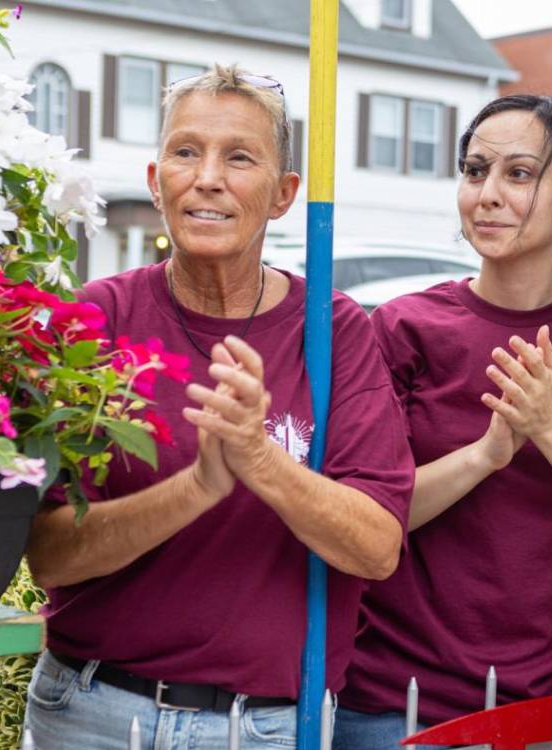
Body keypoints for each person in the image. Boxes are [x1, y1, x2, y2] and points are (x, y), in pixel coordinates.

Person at [22, 65, 414, 747]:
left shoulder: (332, 331)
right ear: (155, 180)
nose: (207, 176)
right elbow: (49, 556)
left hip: (264, 727)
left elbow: (376, 546)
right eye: (185, 151)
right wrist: (199, 486)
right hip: (93, 711)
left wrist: (260, 460)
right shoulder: (98, 318)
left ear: (284, 194)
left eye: (239, 157)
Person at [335, 95, 552, 746]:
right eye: (475, 172)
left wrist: (549, 424)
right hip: (396, 707)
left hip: (550, 708)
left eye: (519, 174)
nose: (488, 194)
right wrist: (486, 455)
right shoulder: (403, 328)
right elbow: (365, 515)